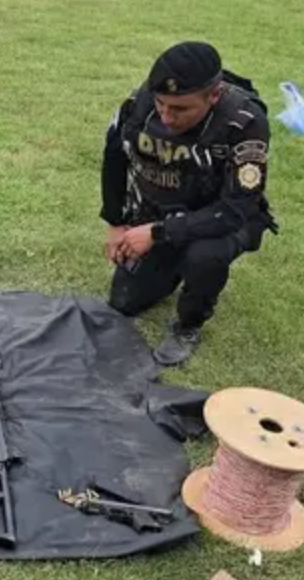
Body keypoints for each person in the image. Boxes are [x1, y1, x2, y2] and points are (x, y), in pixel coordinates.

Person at [99, 42, 277, 367]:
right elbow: (114, 155)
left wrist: (156, 233)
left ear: (214, 95)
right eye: (161, 104)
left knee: (205, 256)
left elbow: (235, 209)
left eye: (180, 109)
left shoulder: (244, 122)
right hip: (161, 211)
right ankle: (170, 264)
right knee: (124, 302)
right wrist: (115, 222)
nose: (166, 117)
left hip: (221, 220)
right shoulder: (141, 102)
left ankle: (189, 324)